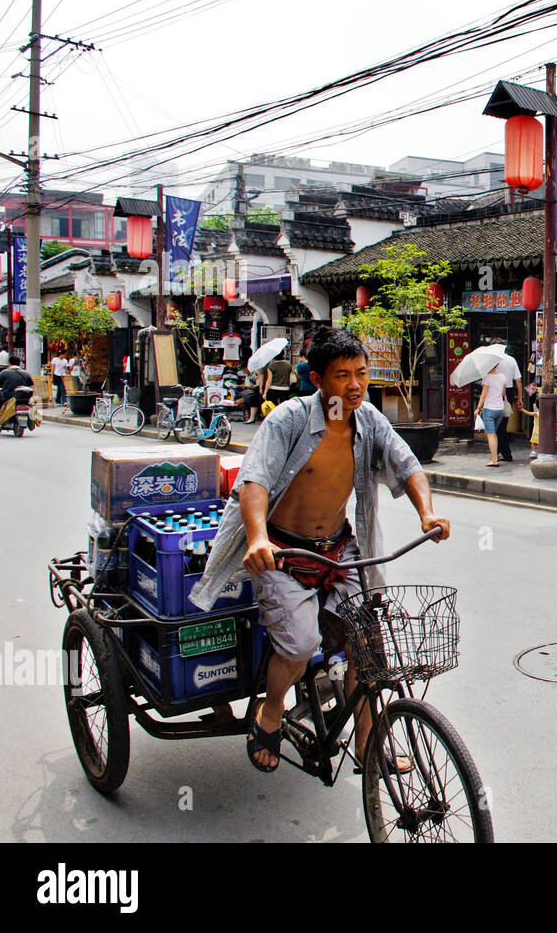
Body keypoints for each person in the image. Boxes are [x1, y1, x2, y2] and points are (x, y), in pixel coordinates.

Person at [188, 328, 450, 774]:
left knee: (367, 643)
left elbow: (408, 466)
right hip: (284, 553)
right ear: (317, 380)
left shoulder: (369, 421)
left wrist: (428, 513)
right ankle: (269, 714)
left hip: (340, 548)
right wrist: (256, 539)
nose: (354, 385)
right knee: (301, 644)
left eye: (361, 374)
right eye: (342, 375)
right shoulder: (288, 420)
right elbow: (255, 482)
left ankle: (369, 746)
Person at [474, 365, 511, 467]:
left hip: (489, 409)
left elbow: (483, 395)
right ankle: (495, 456)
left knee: (491, 434)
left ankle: (494, 460)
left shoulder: (486, 378)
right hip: (500, 409)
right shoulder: (503, 377)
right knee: (494, 433)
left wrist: (478, 408)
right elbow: (503, 393)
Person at [491, 356, 523, 462]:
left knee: (498, 425)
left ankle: (504, 453)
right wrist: (520, 397)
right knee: (502, 423)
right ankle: (500, 451)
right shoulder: (511, 360)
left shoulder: (492, 360)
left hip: (496, 391)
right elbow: (518, 380)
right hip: (508, 392)